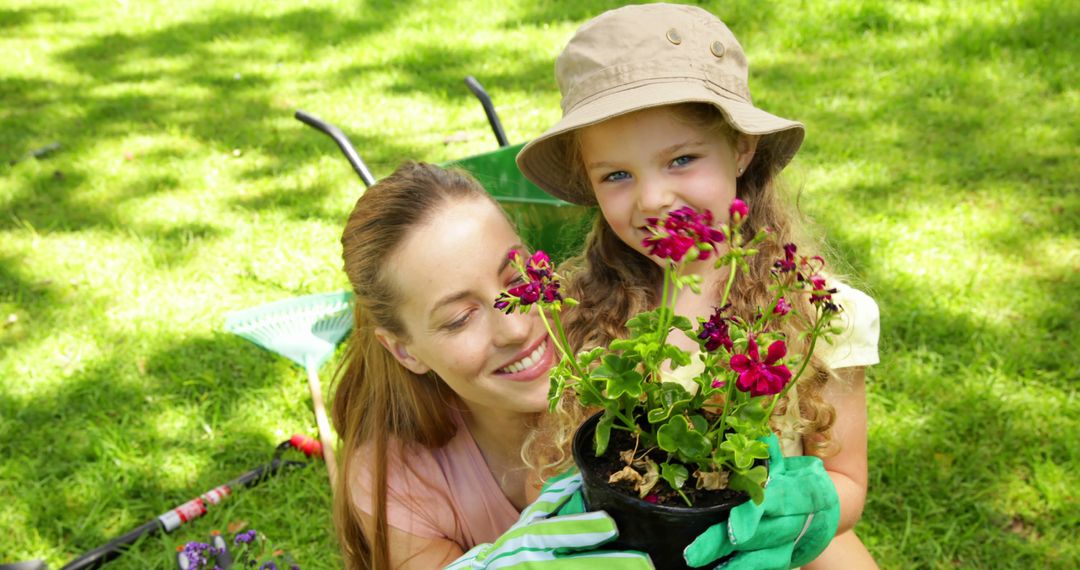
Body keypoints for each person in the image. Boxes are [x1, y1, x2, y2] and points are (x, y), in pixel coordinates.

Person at [516, 4, 880, 569]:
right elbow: (579, 467)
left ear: (740, 148)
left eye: (682, 159)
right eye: (616, 174)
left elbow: (847, 484)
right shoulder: (581, 314)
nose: (654, 199)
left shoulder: (819, 315)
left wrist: (802, 510)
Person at [331, 162, 652, 569]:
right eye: (460, 318)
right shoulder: (400, 477)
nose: (515, 328)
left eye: (517, 276)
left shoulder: (632, 349)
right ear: (405, 352)